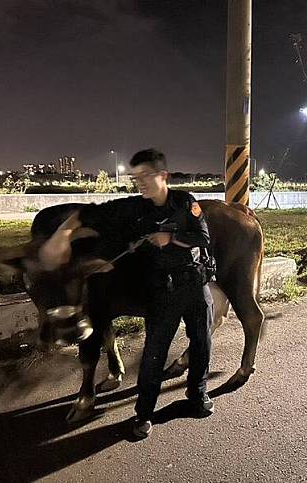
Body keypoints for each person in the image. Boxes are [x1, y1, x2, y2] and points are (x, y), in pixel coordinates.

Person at [128, 148, 215, 439]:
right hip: (162, 293)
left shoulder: (185, 202)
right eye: (135, 177)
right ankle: (143, 413)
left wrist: (172, 238)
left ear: (163, 176)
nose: (139, 182)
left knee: (201, 343)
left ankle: (197, 394)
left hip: (194, 286)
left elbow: (203, 237)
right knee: (154, 354)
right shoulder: (139, 211)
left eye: (145, 176)